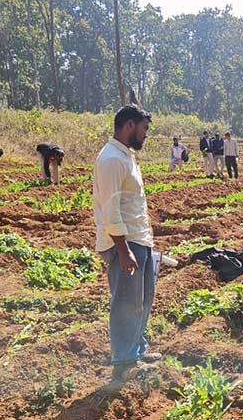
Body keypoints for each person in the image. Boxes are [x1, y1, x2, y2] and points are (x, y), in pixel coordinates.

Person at [92, 104, 160, 382]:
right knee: (126, 303)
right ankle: (124, 361)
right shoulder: (111, 160)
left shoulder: (125, 156)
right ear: (129, 125)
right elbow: (111, 210)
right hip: (124, 243)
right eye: (144, 128)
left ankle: (136, 350)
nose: (146, 134)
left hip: (138, 240)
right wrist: (123, 249)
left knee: (142, 300)